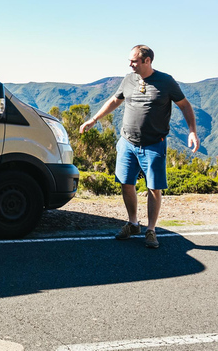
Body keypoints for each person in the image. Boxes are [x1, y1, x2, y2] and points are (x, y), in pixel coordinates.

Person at [79, 45, 199, 249]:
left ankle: (151, 230)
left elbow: (185, 105)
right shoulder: (128, 79)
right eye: (130, 60)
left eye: (134, 61)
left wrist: (192, 131)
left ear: (147, 61)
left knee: (154, 188)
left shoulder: (166, 81)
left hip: (154, 144)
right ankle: (133, 223)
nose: (130, 64)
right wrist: (94, 119)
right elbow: (114, 101)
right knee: (126, 183)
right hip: (127, 142)